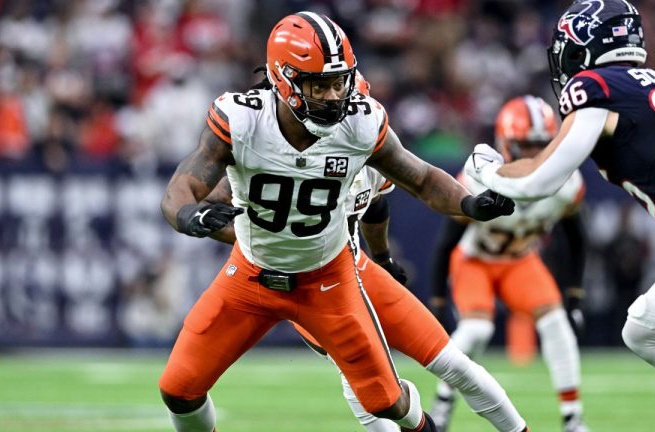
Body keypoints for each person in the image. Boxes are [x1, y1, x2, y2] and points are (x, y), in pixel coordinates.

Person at [158, 12, 516, 432]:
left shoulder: (359, 123)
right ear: (284, 80)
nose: (332, 95)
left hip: (328, 279)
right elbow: (182, 186)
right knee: (178, 389)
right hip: (250, 277)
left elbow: (420, 178)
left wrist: (471, 205)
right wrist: (189, 215)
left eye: (338, 82)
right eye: (318, 84)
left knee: (386, 402)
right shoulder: (242, 120)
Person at [465, 0, 655, 400]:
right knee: (646, 329)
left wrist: (486, 170)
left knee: (648, 333)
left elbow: (537, 181)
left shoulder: (594, 87)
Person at [429, 96, 589, 432]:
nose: (532, 155)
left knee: (557, 322)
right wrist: (438, 299)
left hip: (520, 261)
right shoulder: (479, 177)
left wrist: (574, 294)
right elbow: (447, 242)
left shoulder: (566, 184)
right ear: (505, 143)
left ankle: (573, 417)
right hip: (476, 261)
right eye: (525, 145)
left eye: (540, 145)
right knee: (477, 328)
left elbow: (576, 238)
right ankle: (443, 402)